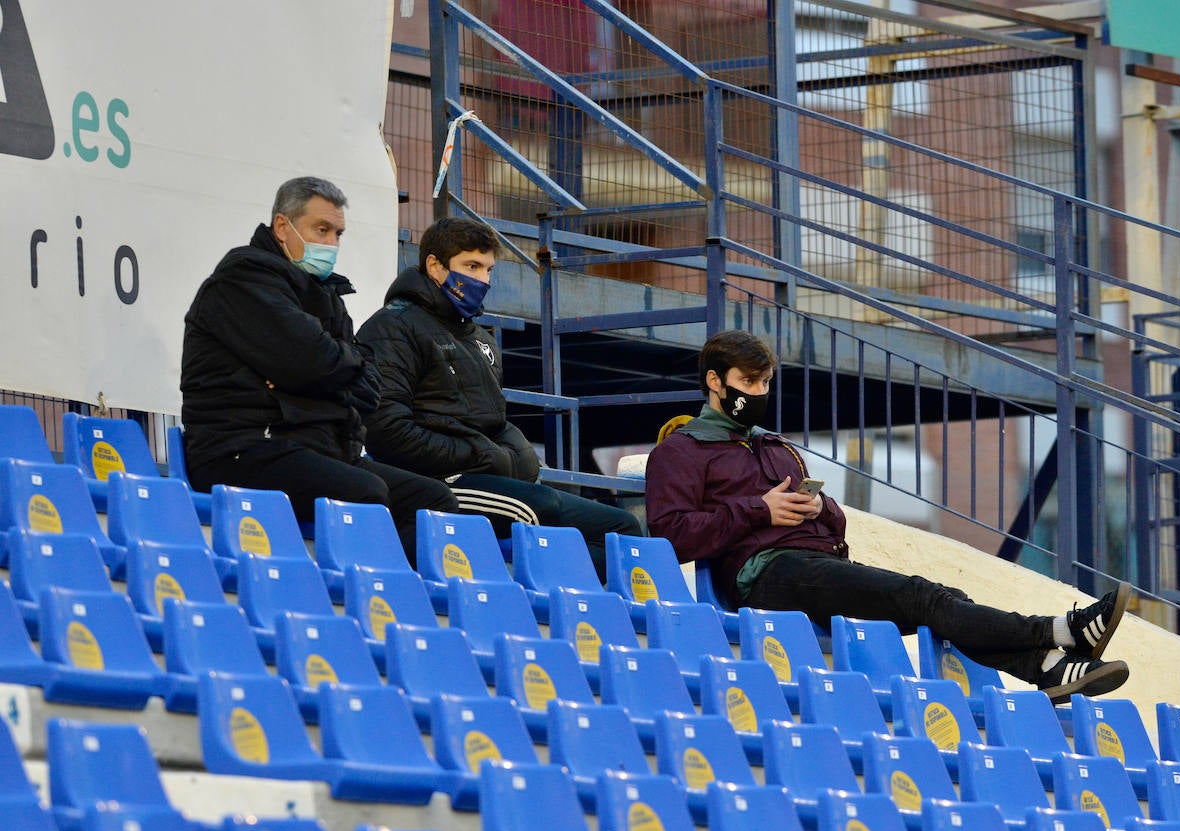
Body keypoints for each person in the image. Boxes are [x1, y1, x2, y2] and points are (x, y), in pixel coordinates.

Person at [645, 329, 1132, 701]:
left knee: (944, 601)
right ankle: (1059, 632)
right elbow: (670, 535)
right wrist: (759, 509)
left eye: (766, 382)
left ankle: (1047, 667)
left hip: (819, 564)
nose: (759, 391)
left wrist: (819, 507)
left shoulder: (775, 447)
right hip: (765, 575)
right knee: (924, 597)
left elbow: (834, 523)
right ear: (714, 381)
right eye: (748, 382)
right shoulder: (680, 451)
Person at [180, 176, 460, 562]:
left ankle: (402, 595)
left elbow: (367, 385)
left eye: (338, 234)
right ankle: (360, 597)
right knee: (365, 492)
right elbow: (308, 361)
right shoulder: (243, 278)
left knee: (433, 499)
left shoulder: (326, 293)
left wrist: (320, 374)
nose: (331, 244)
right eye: (321, 229)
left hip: (315, 448)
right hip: (243, 447)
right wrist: (327, 370)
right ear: (283, 227)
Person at [355, 216, 642, 576]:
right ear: (434, 266)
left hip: (486, 473)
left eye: (488, 269)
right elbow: (386, 431)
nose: (482, 280)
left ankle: (584, 614)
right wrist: (481, 456)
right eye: (471, 266)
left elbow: (495, 421)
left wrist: (516, 458)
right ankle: (528, 608)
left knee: (623, 529)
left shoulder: (480, 339)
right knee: (536, 509)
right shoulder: (391, 328)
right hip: (434, 480)